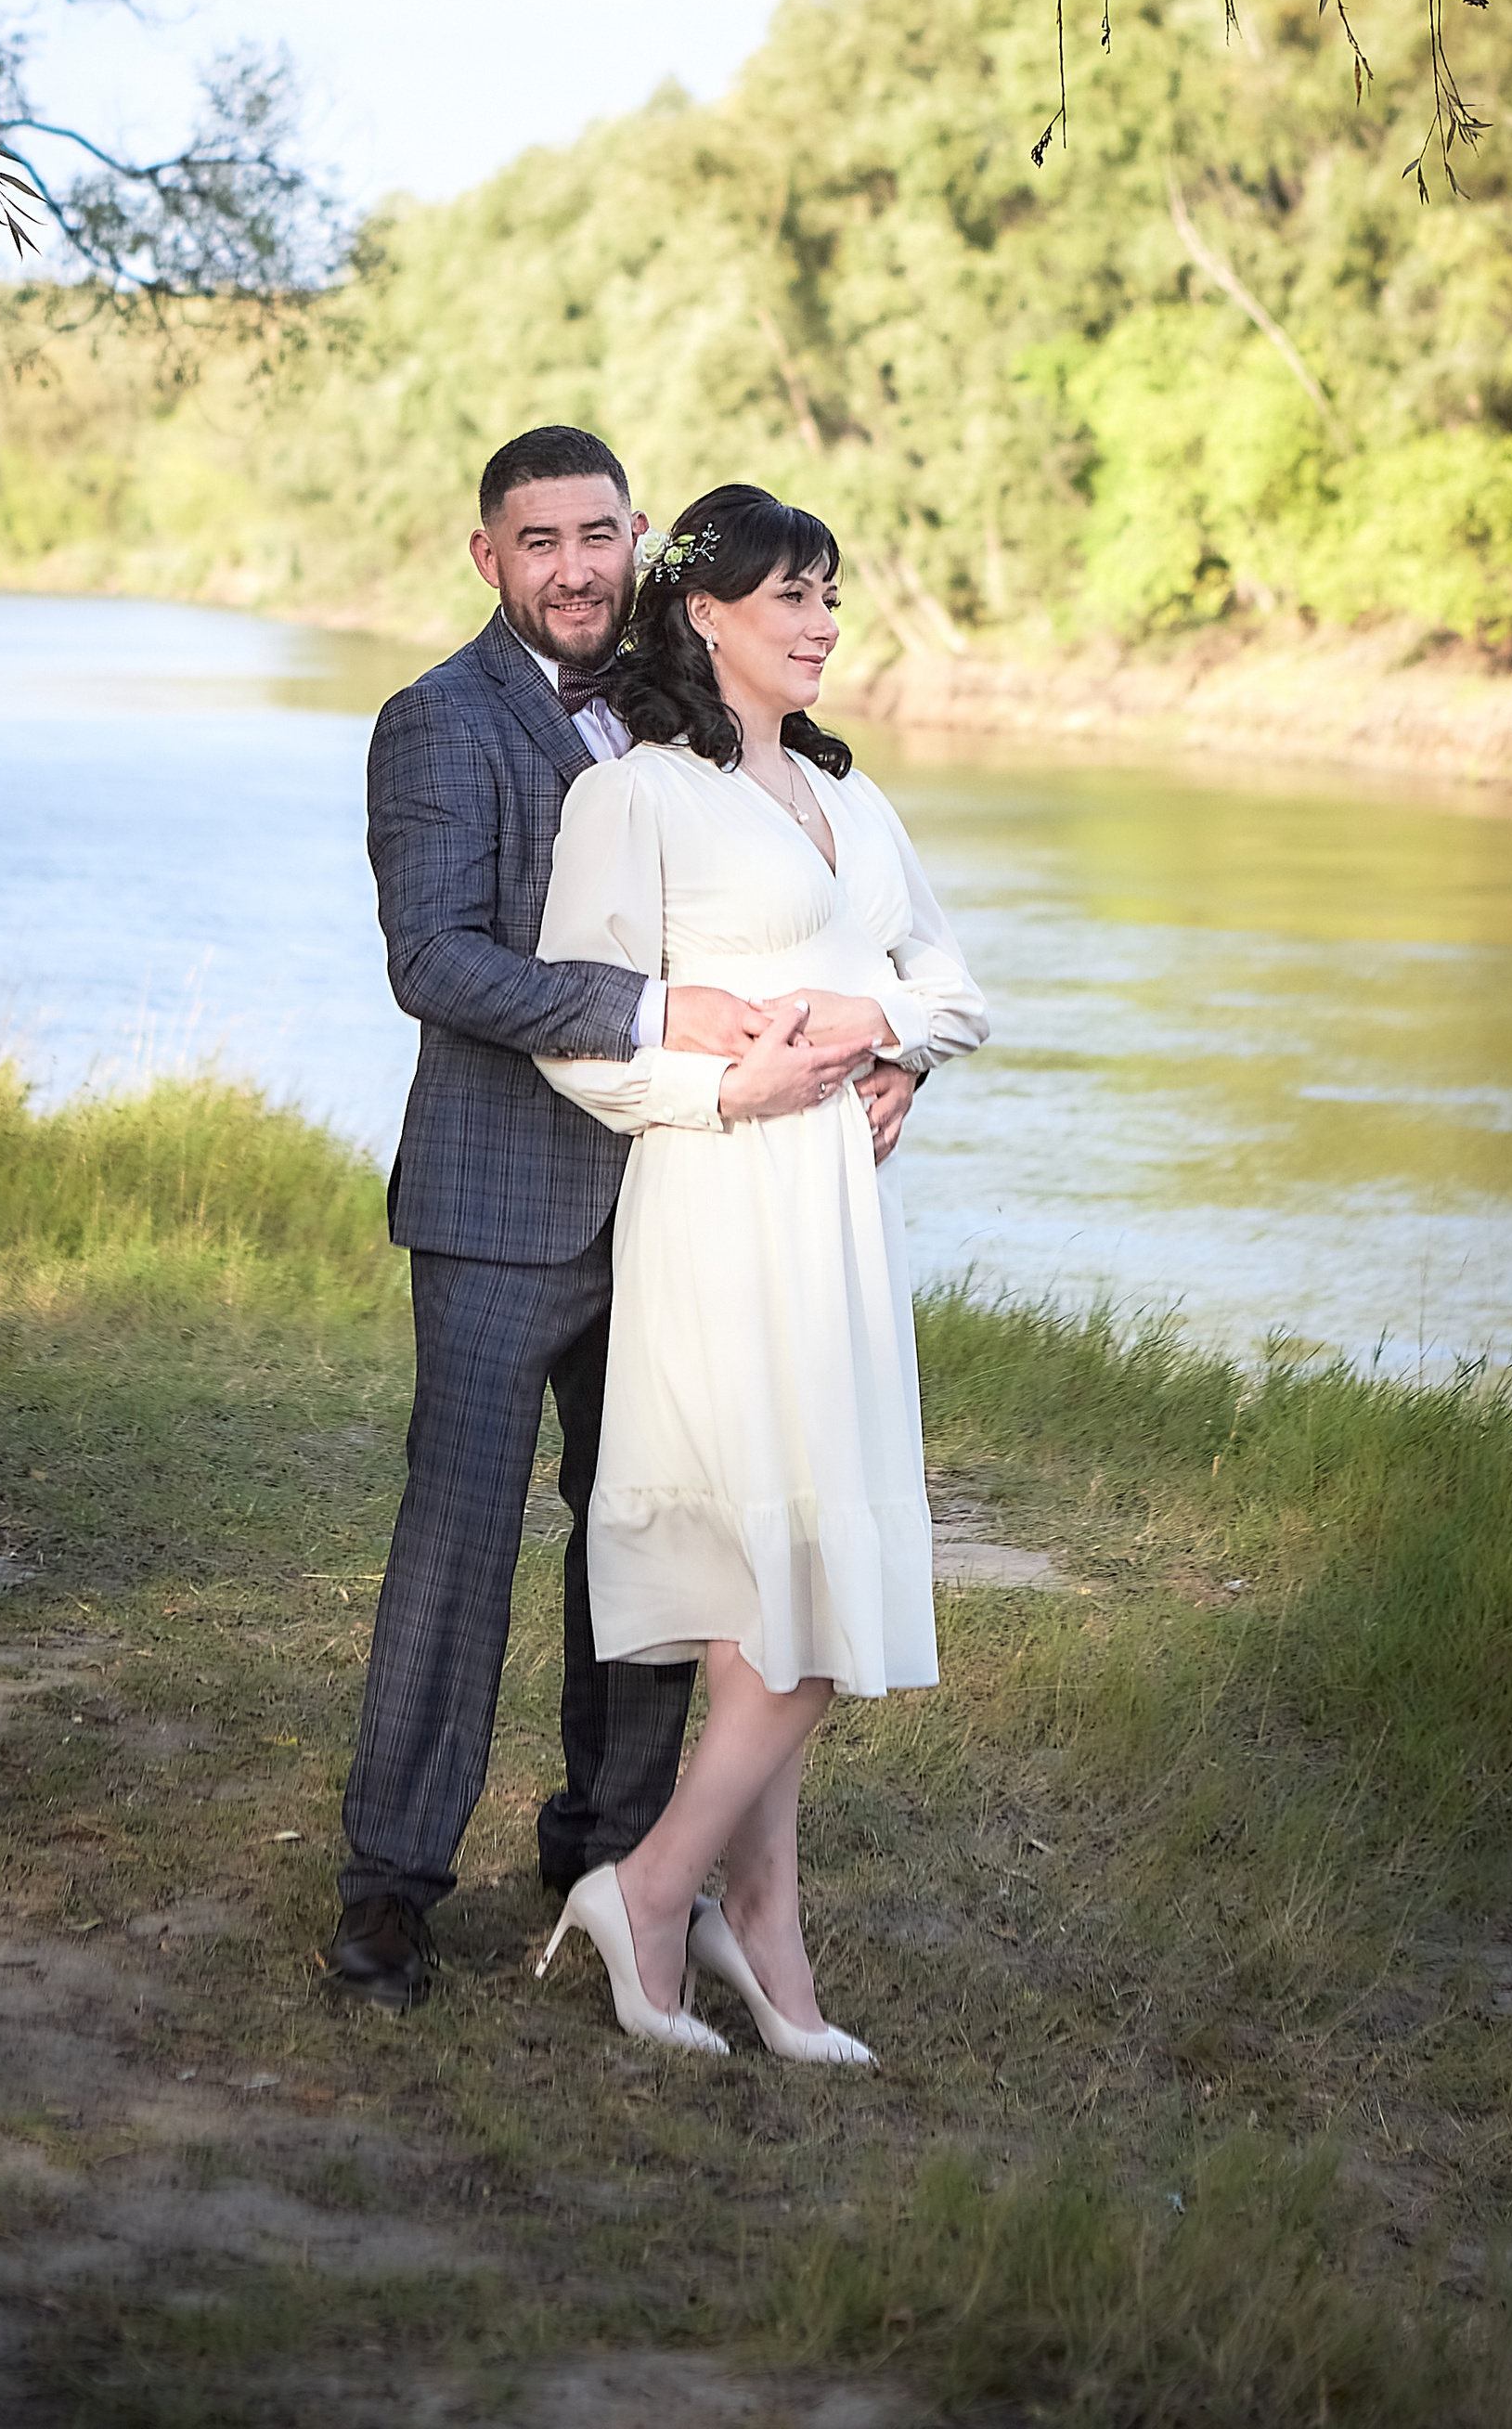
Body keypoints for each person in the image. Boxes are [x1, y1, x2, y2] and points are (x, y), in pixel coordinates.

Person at [326, 429, 912, 2011]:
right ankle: (389, 1884)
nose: (576, 567)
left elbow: (840, 920)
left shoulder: (709, 726)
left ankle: (612, 1842)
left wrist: (897, 1053)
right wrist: (666, 1009)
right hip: (504, 1201)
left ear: (642, 538)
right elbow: (437, 963)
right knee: (458, 1541)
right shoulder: (438, 723)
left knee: (656, 1539)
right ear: (489, 556)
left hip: (690, 1204)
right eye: (540, 541)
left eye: (600, 534)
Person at [529, 485, 987, 2063]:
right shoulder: (641, 798)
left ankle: (762, 1935)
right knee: (782, 1589)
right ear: (704, 612)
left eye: (831, 596)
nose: (819, 623)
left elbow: (951, 980)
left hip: (842, 1224)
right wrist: (727, 1092)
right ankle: (654, 1892)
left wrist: (891, 1043)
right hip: (720, 1205)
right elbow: (584, 1032)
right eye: (787, 596)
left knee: (785, 1582)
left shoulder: (854, 802)